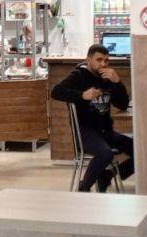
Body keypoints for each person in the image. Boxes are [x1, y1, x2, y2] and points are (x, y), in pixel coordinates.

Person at [50, 44, 133, 192]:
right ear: (89, 60)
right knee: (105, 154)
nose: (103, 64)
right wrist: (82, 95)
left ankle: (108, 175)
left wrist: (117, 82)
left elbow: (123, 104)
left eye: (106, 60)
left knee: (140, 150)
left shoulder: (107, 78)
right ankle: (83, 188)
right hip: (85, 132)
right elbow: (56, 92)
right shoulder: (78, 75)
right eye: (99, 60)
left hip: (106, 131)